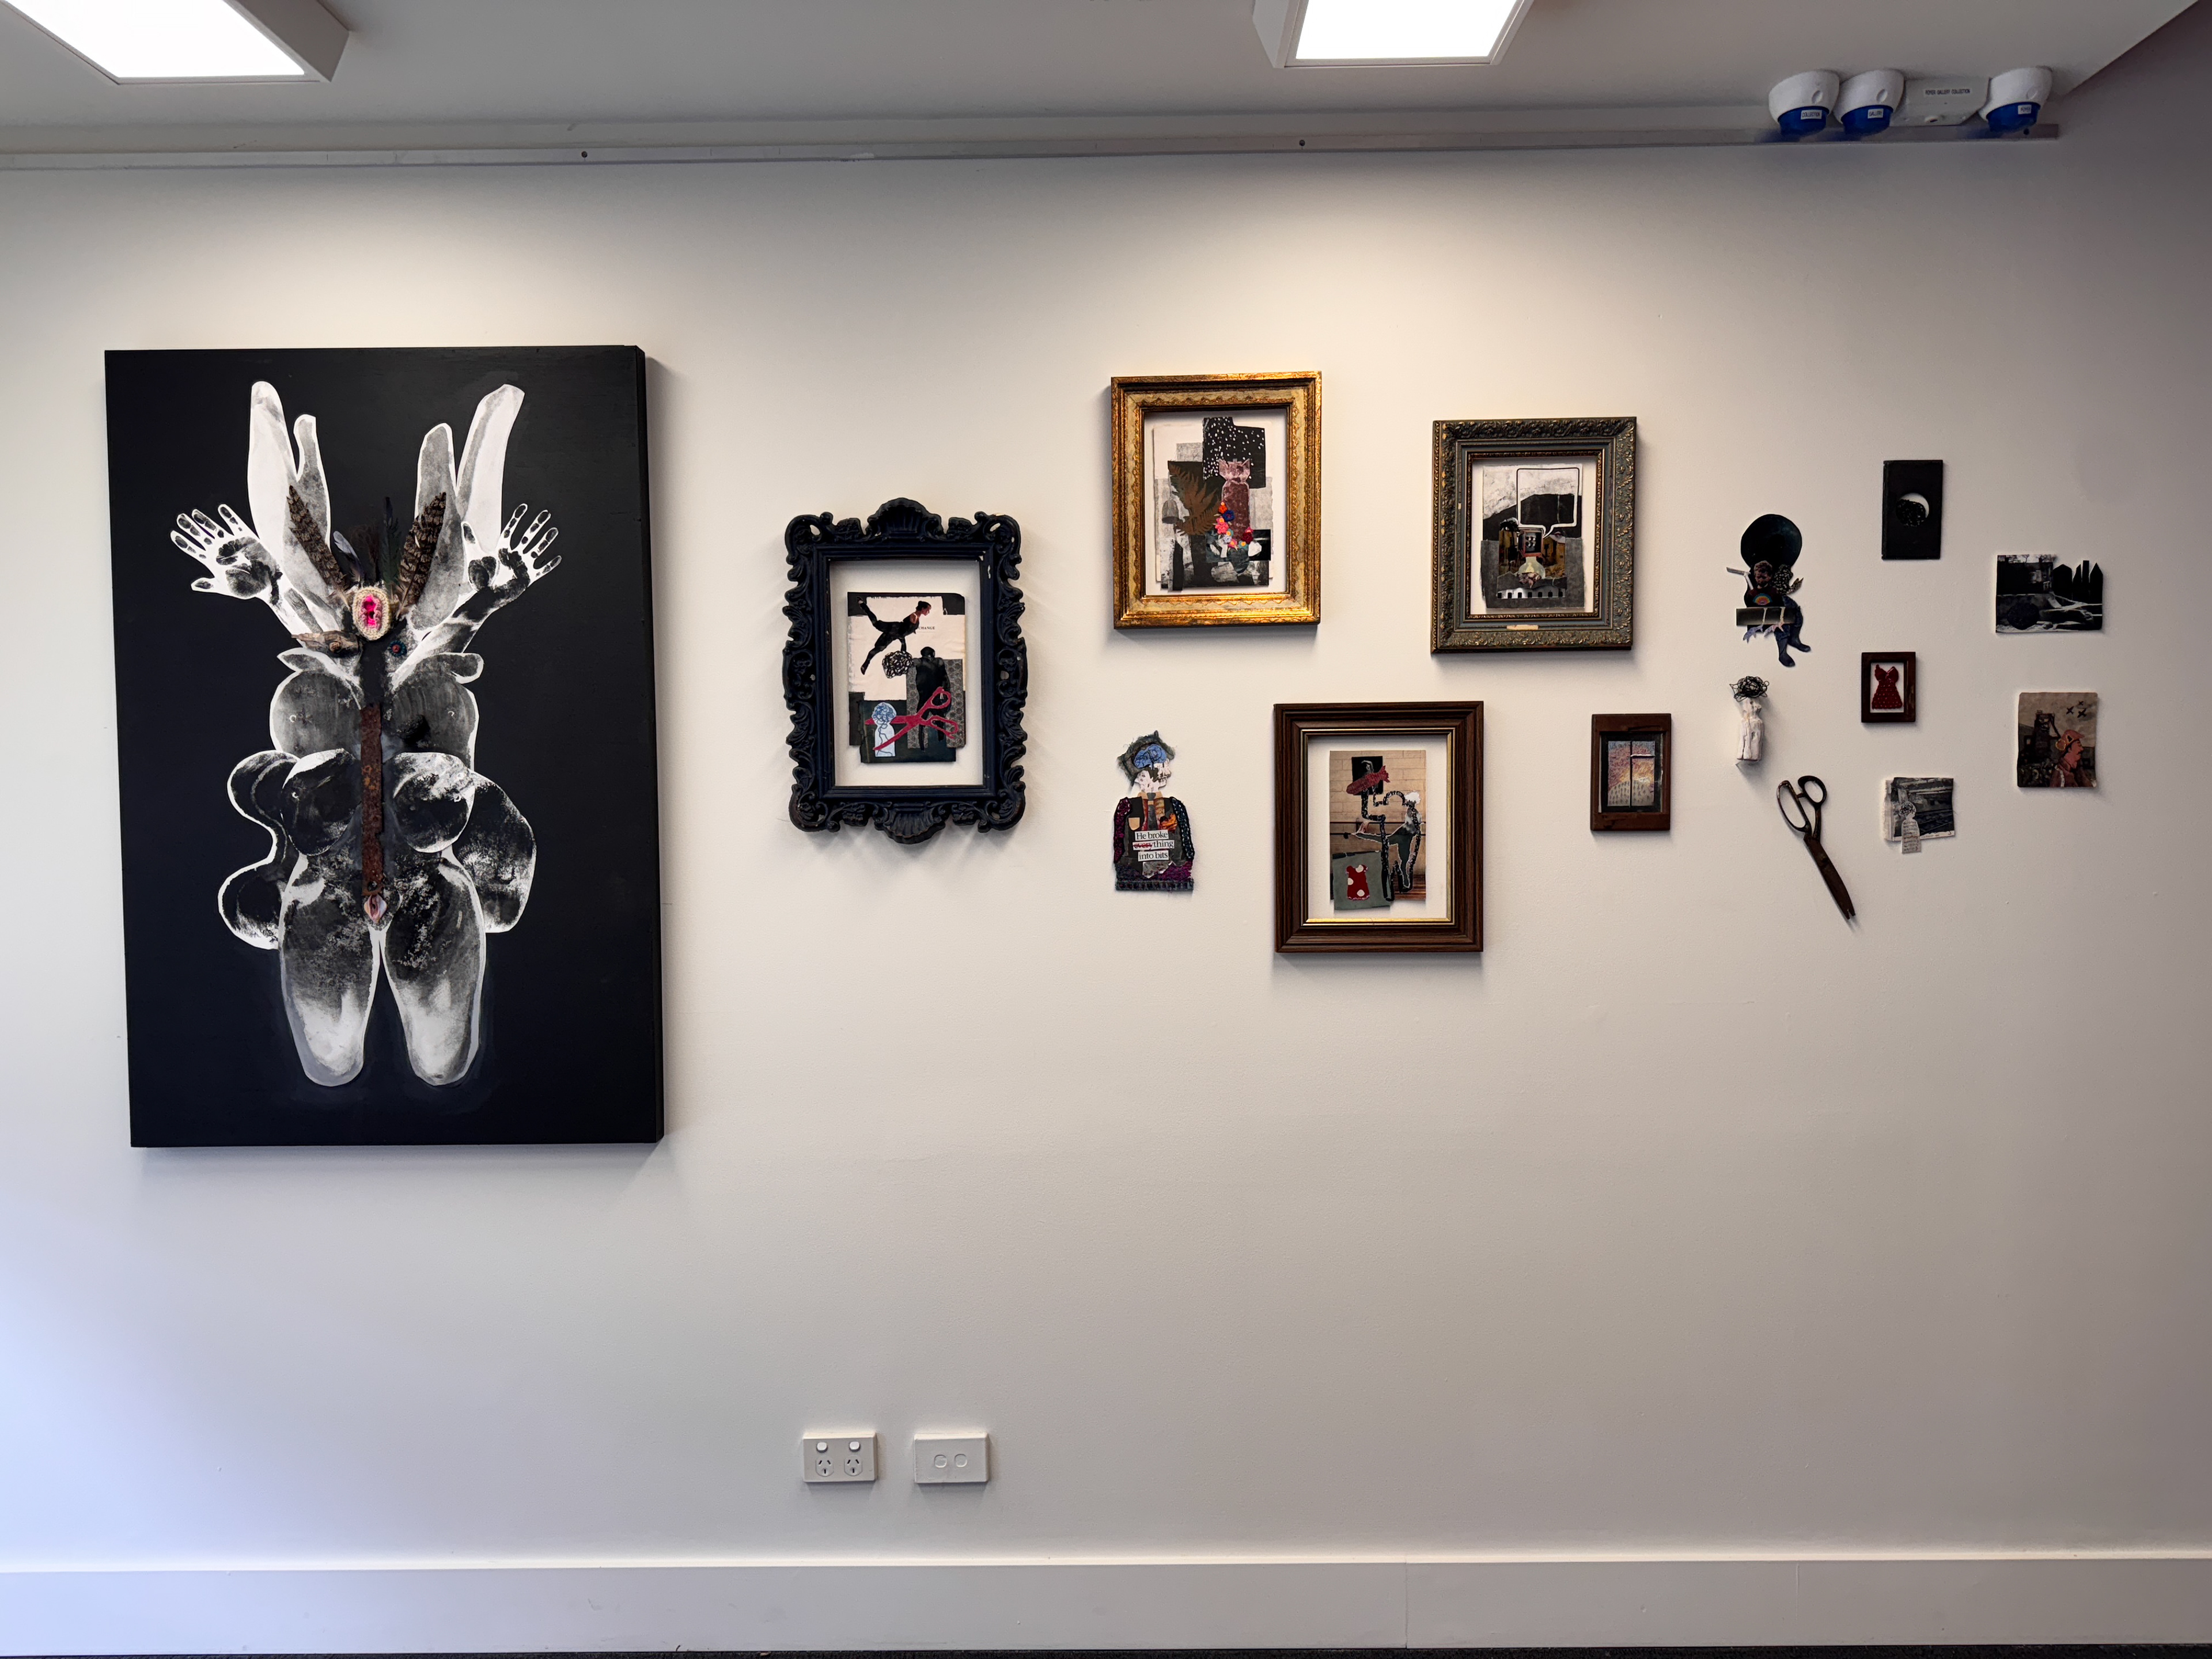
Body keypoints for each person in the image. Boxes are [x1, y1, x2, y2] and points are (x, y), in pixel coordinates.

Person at [859, 599, 930, 676]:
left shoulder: (917, 617)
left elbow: (907, 628)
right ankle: (862, 604)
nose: (928, 612)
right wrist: (906, 635)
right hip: (894, 629)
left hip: (896, 634)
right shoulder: (914, 617)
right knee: (876, 624)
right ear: (923, 609)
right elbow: (905, 628)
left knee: (880, 648)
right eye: (928, 610)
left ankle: (865, 665)